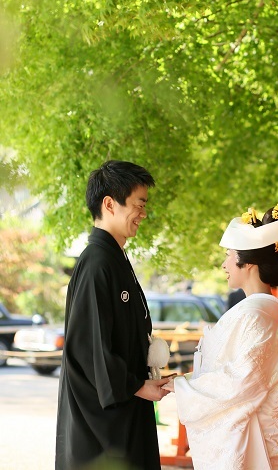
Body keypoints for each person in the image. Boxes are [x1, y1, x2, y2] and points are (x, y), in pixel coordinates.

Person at [163, 200, 278, 470]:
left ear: (249, 263)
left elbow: (240, 384)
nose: (224, 264)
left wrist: (182, 387)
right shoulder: (254, 318)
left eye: (229, 255)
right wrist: (184, 382)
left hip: (252, 451)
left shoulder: (254, 319)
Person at [55, 160, 173, 470]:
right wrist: (135, 385)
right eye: (139, 204)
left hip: (124, 405)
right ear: (110, 204)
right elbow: (91, 347)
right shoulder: (97, 264)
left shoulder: (113, 258)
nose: (143, 214)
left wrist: (145, 379)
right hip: (102, 423)